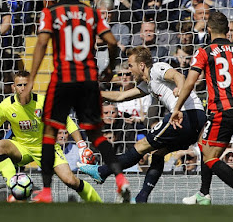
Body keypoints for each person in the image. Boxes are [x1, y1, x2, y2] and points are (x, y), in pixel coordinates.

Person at [20, 0, 130, 203]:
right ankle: (120, 178)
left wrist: (31, 80)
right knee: (96, 133)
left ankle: (47, 192)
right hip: (89, 80)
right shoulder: (92, 12)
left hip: (63, 79)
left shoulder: (51, 12)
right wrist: (110, 67)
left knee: (49, 134)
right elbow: (111, 42)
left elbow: (41, 44)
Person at [78, 46, 206, 203]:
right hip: (196, 119)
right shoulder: (148, 84)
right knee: (158, 154)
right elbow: (121, 96)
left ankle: (102, 171)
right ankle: (141, 198)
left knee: (141, 145)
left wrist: (179, 92)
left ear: (142, 65)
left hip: (185, 114)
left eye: (131, 65)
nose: (129, 70)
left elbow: (178, 76)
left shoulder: (157, 69)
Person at [170, 12, 233, 206]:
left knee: (208, 156)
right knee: (204, 144)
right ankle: (203, 194)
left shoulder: (205, 51)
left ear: (208, 30)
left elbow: (190, 82)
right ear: (228, 30)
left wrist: (177, 107)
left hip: (221, 110)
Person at [0, 71, 101, 203]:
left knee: (71, 181)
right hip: (21, 148)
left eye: (25, 85)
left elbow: (67, 121)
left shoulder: (43, 102)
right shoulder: (6, 106)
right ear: (13, 87)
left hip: (46, 147)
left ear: (32, 85)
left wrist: (82, 146)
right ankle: (17, 190)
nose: (22, 88)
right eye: (19, 85)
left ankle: (98, 204)